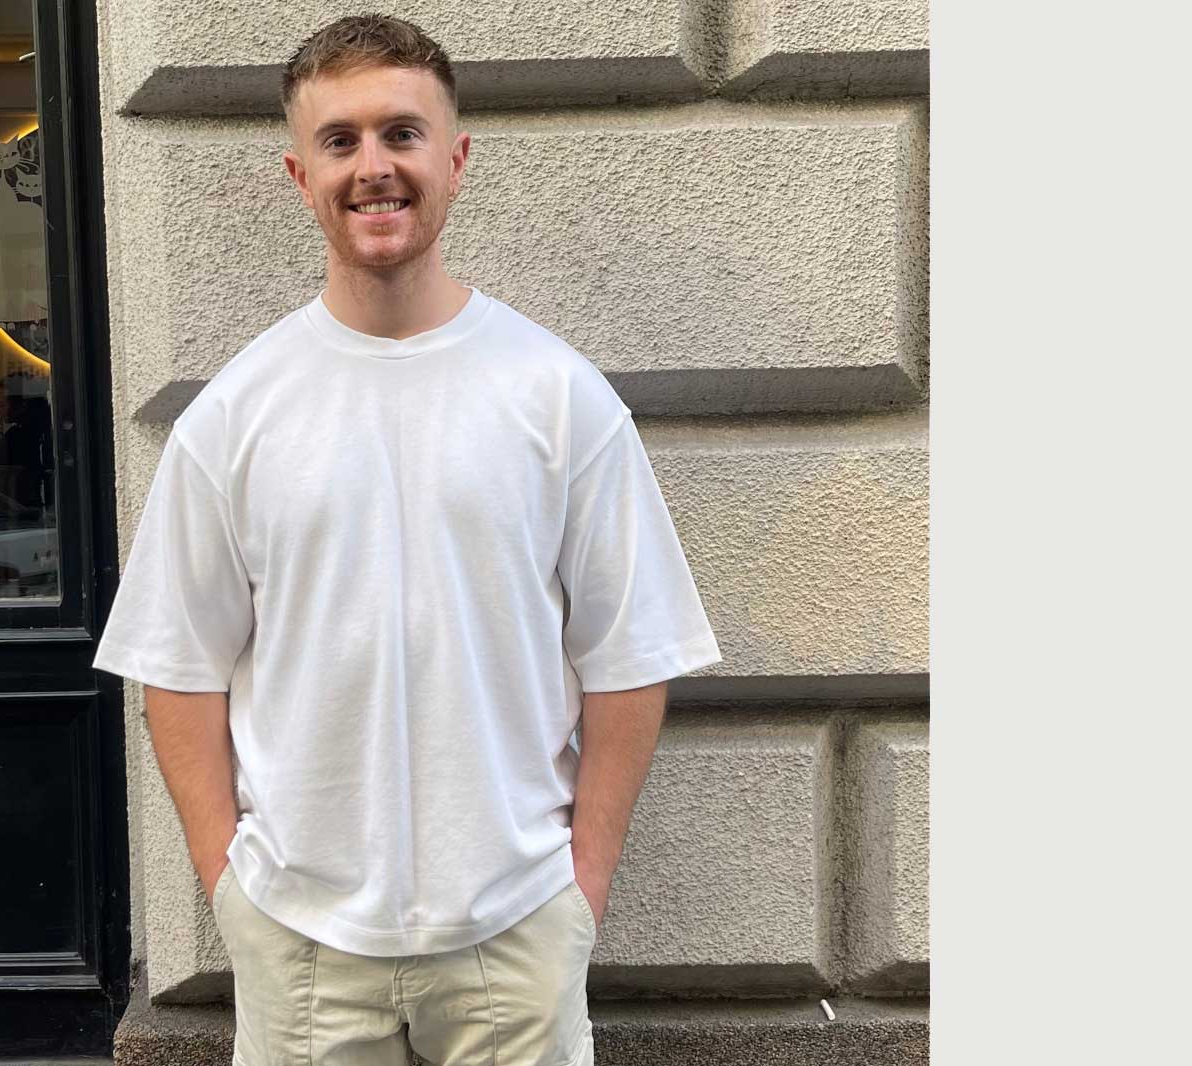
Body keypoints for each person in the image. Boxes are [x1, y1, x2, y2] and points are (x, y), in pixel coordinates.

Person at [93, 13, 722, 1064]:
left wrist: (580, 890)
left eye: (401, 133)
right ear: (299, 174)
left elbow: (631, 655)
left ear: (457, 158)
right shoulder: (236, 415)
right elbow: (176, 670)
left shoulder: (558, 397)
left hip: (513, 931)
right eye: (339, 141)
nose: (372, 167)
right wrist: (229, 889)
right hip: (301, 947)